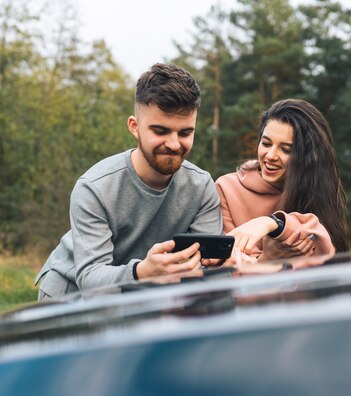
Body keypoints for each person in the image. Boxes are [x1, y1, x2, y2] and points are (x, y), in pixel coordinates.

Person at [35, 63, 222, 300]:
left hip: (140, 299)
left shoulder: (202, 187)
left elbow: (207, 273)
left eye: (185, 133)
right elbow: (90, 278)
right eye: (161, 131)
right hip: (71, 297)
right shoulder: (94, 187)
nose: (174, 144)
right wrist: (140, 271)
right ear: (134, 127)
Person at [215, 98, 349, 263]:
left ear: (308, 158)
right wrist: (268, 258)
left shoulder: (315, 192)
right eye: (266, 143)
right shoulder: (227, 188)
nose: (271, 156)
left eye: (286, 149)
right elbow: (227, 266)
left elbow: (324, 255)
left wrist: (271, 224)